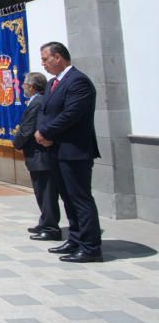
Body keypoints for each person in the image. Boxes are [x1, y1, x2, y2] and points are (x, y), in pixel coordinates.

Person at [35, 41, 103, 263]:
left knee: (80, 198)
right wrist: (43, 133)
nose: (42, 63)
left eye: (45, 59)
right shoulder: (55, 83)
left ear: (58, 58)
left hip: (75, 151)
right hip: (57, 150)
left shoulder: (78, 82)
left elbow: (71, 114)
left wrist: (45, 132)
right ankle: (75, 239)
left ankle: (90, 246)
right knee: (67, 199)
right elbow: (47, 110)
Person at [12, 72, 60, 241]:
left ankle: (51, 227)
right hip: (36, 154)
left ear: (31, 87)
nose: (22, 87)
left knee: (46, 192)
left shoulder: (38, 102)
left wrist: (16, 142)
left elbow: (27, 128)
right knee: (41, 191)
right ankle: (45, 221)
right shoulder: (37, 100)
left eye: (24, 84)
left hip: (41, 154)